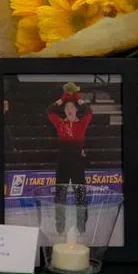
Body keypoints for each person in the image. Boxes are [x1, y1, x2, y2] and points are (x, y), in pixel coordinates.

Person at [46, 84, 94, 234]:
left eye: (72, 107)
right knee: (60, 195)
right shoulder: (60, 124)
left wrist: (76, 97)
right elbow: (50, 111)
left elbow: (88, 110)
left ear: (76, 110)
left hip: (78, 163)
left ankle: (81, 225)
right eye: (67, 107)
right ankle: (60, 226)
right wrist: (64, 97)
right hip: (63, 163)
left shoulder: (82, 124)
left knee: (81, 194)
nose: (69, 109)